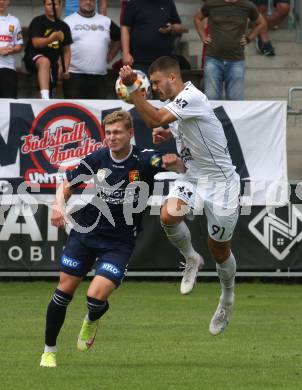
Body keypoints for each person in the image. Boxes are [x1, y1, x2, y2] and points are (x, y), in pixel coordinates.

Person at [40, 110, 185, 368]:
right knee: (64, 291)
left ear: (130, 133)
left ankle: (92, 318)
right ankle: (49, 351)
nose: (112, 137)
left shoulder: (144, 159)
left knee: (96, 297)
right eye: (108, 133)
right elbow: (67, 184)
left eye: (117, 132)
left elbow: (172, 164)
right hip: (87, 232)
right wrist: (58, 205)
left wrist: (176, 163)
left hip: (119, 241)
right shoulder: (98, 157)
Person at [119, 56, 240, 335]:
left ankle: (227, 298)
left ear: (173, 78)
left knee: (219, 249)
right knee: (168, 214)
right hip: (194, 177)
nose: (156, 89)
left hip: (221, 183)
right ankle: (190, 259)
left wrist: (132, 89)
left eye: (158, 83)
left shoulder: (192, 96)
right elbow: (169, 124)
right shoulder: (177, 104)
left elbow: (154, 119)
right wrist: (167, 133)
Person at [194, 0, 267, 100]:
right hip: (213, 59)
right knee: (212, 100)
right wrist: (203, 37)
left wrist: (249, 38)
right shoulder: (211, 3)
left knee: (235, 101)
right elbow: (197, 18)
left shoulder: (247, 5)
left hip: (236, 60)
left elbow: (261, 22)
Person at [63, 0, 120, 99]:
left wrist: (111, 54)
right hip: (74, 77)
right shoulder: (67, 21)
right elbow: (60, 47)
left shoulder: (106, 21)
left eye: (92, 0)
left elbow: (119, 38)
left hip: (100, 79)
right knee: (75, 113)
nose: (88, 2)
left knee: (98, 114)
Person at [23, 0, 72, 100]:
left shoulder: (64, 26)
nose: (52, 7)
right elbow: (36, 43)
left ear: (60, 5)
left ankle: (45, 100)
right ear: (44, 5)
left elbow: (66, 50)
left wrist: (65, 68)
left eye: (55, 4)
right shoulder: (38, 21)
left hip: (53, 63)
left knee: (47, 88)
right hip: (34, 57)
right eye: (49, 4)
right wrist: (52, 38)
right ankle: (45, 99)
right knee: (44, 61)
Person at [121, 0, 184, 75]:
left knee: (164, 86)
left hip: (164, 61)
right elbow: (125, 28)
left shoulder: (168, 3)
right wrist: (126, 53)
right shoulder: (133, 3)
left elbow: (179, 27)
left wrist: (171, 27)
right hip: (139, 61)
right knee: (141, 87)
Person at [0, 0, 23, 98]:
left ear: (8, 1)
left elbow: (19, 46)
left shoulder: (14, 21)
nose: (1, 1)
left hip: (8, 68)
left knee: (9, 103)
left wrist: (11, 50)